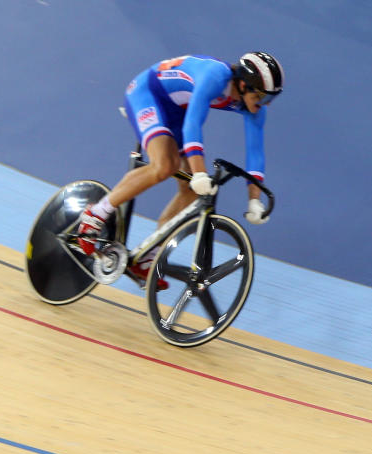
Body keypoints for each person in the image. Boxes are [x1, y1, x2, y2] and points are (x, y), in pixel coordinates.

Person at [76, 52, 284, 289]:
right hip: (148, 94)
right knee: (166, 165)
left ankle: (147, 256)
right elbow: (193, 124)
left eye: (269, 100)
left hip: (178, 109)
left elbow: (255, 153)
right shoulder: (215, 76)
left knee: (193, 193)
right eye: (261, 97)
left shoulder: (254, 108)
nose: (263, 105)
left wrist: (254, 201)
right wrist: (198, 173)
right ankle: (96, 214)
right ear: (244, 84)